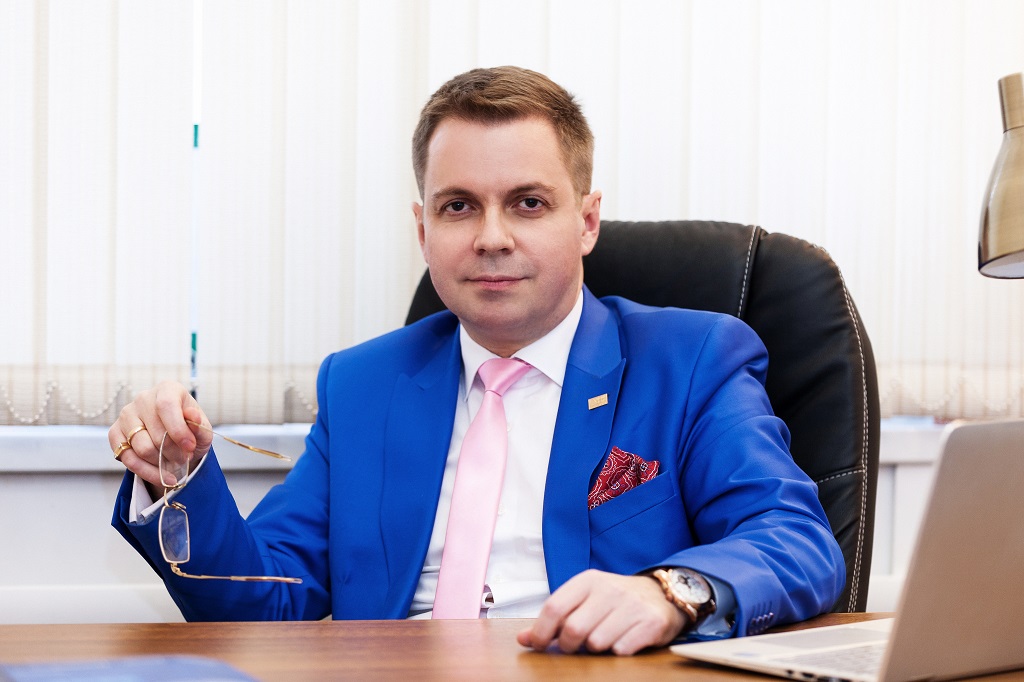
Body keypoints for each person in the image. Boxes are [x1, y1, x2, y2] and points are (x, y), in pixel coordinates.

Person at [110, 65, 844, 656]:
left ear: (586, 222)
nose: (491, 237)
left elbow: (795, 541)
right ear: (423, 230)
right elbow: (262, 601)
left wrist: (668, 593)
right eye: (458, 206)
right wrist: (179, 481)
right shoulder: (363, 384)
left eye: (528, 203)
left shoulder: (691, 361)